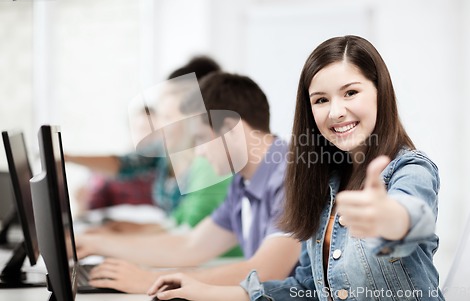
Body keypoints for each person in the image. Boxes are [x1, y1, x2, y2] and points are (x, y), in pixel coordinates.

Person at [146, 35, 445, 301]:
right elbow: (305, 288)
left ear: (380, 91)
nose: (336, 111)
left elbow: (413, 214)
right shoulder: (323, 181)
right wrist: (205, 292)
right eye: (321, 100)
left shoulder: (411, 168)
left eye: (351, 93)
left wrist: (390, 217)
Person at [75, 72, 302, 293]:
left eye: (201, 138)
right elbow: (191, 245)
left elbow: (267, 272)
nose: (199, 153)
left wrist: (153, 280)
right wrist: (94, 243)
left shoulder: (291, 176)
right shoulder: (242, 183)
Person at [66, 56, 234, 232]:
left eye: (169, 116)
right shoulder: (167, 148)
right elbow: (178, 224)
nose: (159, 126)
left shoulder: (210, 164)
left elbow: (189, 234)